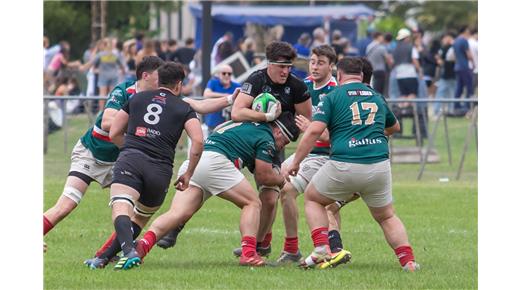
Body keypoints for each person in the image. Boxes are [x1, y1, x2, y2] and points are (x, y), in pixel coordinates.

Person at [156, 41, 312, 257]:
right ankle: (177, 224)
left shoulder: (297, 86)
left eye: (289, 67)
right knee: (208, 181)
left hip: (273, 143)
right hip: (244, 140)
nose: (286, 71)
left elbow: (306, 120)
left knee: (268, 197)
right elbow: (238, 112)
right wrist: (266, 117)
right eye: (281, 66)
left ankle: (259, 244)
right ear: (269, 64)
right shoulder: (256, 79)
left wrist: (287, 134)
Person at [285, 56, 419, 272]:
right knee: (386, 216)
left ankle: (321, 249)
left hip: (344, 163)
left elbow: (314, 131)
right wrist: (372, 136)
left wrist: (296, 162)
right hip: (379, 165)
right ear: (362, 76)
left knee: (312, 198)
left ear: (339, 75)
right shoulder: (376, 96)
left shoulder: (333, 96)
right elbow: (394, 128)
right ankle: (408, 262)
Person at [133, 112, 300, 268]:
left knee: (177, 213)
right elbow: (264, 176)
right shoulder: (267, 137)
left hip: (194, 162)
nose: (280, 147)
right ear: (278, 131)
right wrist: (281, 179)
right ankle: (249, 253)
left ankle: (142, 246)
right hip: (215, 162)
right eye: (283, 142)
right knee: (253, 203)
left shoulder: (243, 124)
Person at [102, 62, 204, 270]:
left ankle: (128, 251)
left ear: (159, 81)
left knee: (121, 205)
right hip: (160, 170)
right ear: (179, 85)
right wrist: (188, 173)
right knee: (140, 216)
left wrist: (129, 149)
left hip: (131, 158)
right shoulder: (184, 108)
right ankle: (103, 257)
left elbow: (113, 132)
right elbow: (198, 142)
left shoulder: (136, 98)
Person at [276, 45, 353, 264]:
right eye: (312, 61)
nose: (315, 66)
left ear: (332, 66)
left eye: (320, 62)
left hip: (329, 155)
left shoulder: (337, 92)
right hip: (308, 153)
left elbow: (333, 136)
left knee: (298, 193)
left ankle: (313, 249)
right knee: (274, 184)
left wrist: (311, 127)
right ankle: (289, 247)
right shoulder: (303, 86)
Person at [82, 37, 126, 112]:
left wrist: (83, 67)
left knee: (102, 94)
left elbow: (91, 63)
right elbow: (122, 66)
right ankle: (113, 109)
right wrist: (123, 71)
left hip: (103, 76)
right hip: (114, 75)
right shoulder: (114, 55)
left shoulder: (101, 54)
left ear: (104, 45)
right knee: (113, 94)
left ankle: (101, 111)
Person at [203, 64, 241, 132]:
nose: (226, 75)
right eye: (224, 73)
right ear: (218, 74)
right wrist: (226, 96)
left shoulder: (237, 86)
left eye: (229, 74)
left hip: (230, 124)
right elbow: (206, 94)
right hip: (213, 122)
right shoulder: (213, 82)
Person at [392, 28, 421, 109]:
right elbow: (414, 60)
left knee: (403, 94)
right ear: (406, 37)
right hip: (410, 73)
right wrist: (420, 71)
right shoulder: (411, 47)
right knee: (413, 93)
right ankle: (406, 108)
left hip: (399, 74)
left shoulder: (395, 49)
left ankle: (400, 109)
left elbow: (392, 61)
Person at [452, 26, 475, 115]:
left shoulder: (455, 41)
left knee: (459, 88)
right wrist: (473, 63)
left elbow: (454, 55)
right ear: (465, 31)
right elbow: (468, 54)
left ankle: (456, 106)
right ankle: (468, 107)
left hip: (457, 67)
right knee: (469, 87)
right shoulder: (464, 40)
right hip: (464, 66)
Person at [434, 32, 457, 115]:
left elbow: (441, 60)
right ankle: (448, 110)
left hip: (449, 74)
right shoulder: (447, 47)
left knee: (443, 93)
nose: (444, 40)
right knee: (449, 93)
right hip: (448, 74)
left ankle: (441, 111)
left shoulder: (450, 47)